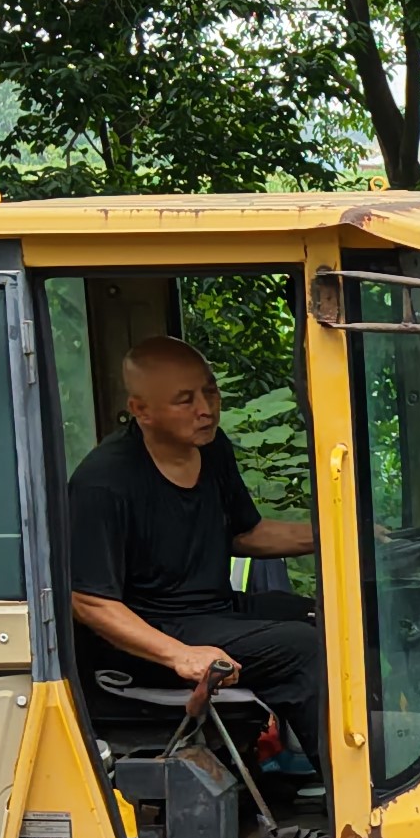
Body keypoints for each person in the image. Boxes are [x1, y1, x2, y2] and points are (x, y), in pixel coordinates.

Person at [63, 334, 326, 785]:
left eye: (210, 391)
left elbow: (247, 534)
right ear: (141, 410)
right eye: (185, 400)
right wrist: (181, 656)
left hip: (212, 613)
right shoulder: (103, 482)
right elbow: (89, 602)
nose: (206, 408)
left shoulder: (211, 447)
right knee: (301, 648)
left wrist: (343, 537)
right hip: (150, 638)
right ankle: (357, 800)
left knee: (334, 614)